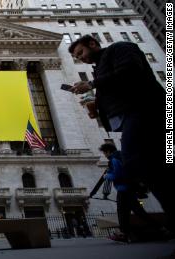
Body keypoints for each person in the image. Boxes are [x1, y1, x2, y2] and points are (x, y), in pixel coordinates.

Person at [68, 35, 174, 232]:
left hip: (147, 110)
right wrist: (96, 109)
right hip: (133, 117)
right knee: (154, 166)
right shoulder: (99, 68)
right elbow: (115, 91)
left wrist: (91, 84)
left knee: (139, 162)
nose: (80, 58)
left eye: (80, 52)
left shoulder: (121, 48)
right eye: (76, 57)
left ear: (92, 44)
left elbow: (130, 72)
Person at [99, 143, 166, 242]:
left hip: (124, 189)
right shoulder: (121, 157)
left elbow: (118, 175)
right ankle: (124, 233)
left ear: (108, 151)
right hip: (128, 188)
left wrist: (106, 176)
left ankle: (161, 229)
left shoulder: (114, 159)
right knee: (125, 211)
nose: (104, 155)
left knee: (128, 211)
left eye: (104, 152)